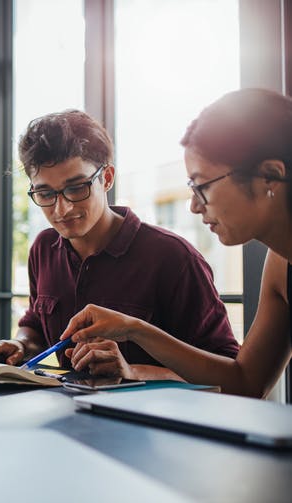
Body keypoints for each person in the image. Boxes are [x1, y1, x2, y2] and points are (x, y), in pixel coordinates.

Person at [0, 110, 239, 379]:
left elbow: (227, 373)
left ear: (107, 178)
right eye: (45, 193)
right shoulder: (43, 248)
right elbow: (35, 327)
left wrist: (134, 372)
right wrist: (21, 344)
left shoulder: (173, 257)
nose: (62, 209)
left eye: (76, 188)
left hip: (151, 418)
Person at [62, 88, 291, 398]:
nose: (195, 206)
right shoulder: (280, 263)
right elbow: (247, 382)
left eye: (202, 187)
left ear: (269, 176)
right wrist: (134, 328)